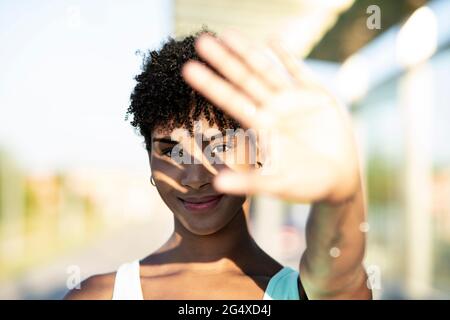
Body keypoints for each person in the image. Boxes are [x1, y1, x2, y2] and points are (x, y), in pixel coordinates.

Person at [64, 28, 371, 300]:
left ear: (258, 150)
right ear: (149, 160)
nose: (195, 176)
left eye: (220, 147)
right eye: (170, 150)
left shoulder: (304, 294)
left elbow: (338, 275)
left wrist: (341, 197)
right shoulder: (99, 295)